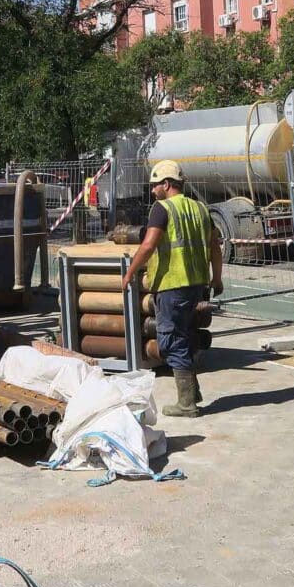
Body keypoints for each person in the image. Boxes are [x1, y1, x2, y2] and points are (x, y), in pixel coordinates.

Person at [122, 160, 223, 417]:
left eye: (155, 185)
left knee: (169, 342)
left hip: (172, 286)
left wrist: (130, 273)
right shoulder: (200, 208)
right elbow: (214, 247)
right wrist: (217, 279)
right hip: (197, 285)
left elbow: (147, 246)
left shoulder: (161, 208)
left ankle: (186, 404)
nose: (153, 190)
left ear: (166, 184)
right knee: (186, 335)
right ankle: (192, 392)